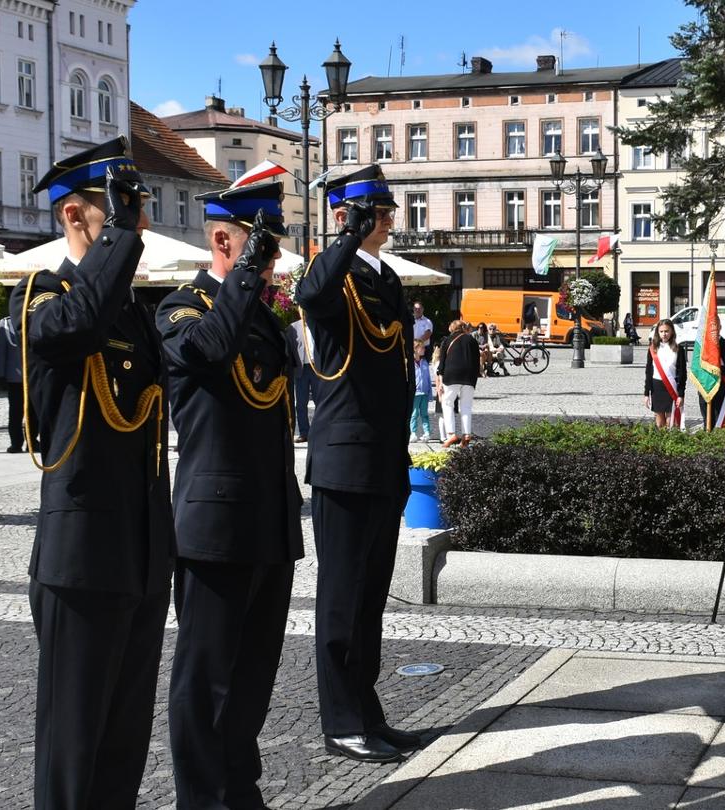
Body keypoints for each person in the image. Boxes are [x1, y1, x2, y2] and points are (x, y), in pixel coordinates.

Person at [7, 137, 172, 808]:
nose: (138, 221)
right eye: (121, 207)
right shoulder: (44, 299)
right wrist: (122, 242)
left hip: (138, 547)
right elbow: (75, 327)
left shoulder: (132, 311)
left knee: (124, 737)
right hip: (81, 557)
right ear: (75, 215)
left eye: (137, 207)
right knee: (74, 742)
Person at [156, 177, 305, 808]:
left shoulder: (263, 316)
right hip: (215, 525)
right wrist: (246, 274)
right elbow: (209, 353)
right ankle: (203, 800)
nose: (269, 261)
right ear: (223, 239)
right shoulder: (180, 308)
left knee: (252, 677)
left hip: (269, 517)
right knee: (207, 679)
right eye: (259, 245)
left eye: (269, 250)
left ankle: (240, 792)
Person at [292, 163, 425, 764]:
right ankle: (340, 720)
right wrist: (345, 234)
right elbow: (310, 293)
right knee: (341, 598)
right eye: (377, 211)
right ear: (353, 216)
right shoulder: (335, 277)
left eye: (388, 210)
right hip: (344, 462)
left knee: (371, 597)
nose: (388, 219)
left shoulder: (386, 279)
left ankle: (367, 710)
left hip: (383, 460)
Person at [436, 319, 481, 447]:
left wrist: (440, 380)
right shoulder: (472, 340)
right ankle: (466, 434)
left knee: (447, 403)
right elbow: (477, 360)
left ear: (452, 328)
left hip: (452, 375)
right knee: (466, 406)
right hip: (469, 376)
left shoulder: (447, 340)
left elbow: (442, 362)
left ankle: (451, 434)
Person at [691, 328, 725, 429]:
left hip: (720, 387)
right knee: (707, 420)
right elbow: (696, 366)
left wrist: (715, 369)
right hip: (704, 386)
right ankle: (707, 441)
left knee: (719, 421)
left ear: (720, 327)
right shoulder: (702, 344)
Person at [0, 305, 25, 453]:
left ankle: (33, 440)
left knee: (35, 411)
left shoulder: (35, 318)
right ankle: (16, 442)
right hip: (15, 376)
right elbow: (1, 352)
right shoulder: (6, 323)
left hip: (34, 375)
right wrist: (0, 374)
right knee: (16, 412)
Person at [643, 319, 685, 428]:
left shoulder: (678, 349)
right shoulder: (653, 348)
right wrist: (646, 393)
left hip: (672, 386)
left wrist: (681, 394)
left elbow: (682, 373)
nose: (664, 334)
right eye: (661, 331)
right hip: (657, 387)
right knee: (659, 422)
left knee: (671, 422)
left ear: (672, 332)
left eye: (666, 331)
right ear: (657, 332)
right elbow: (648, 371)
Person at [289, 312, 313, 445]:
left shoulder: (317, 325)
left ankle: (318, 431)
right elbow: (289, 348)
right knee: (301, 403)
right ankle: (304, 433)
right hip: (301, 370)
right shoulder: (293, 328)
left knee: (321, 401)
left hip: (316, 368)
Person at [410, 339, 435, 442]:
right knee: (414, 414)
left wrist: (430, 394)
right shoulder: (410, 363)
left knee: (424, 414)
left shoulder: (424, 362)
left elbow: (428, 379)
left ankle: (427, 433)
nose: (424, 349)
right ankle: (413, 433)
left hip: (424, 393)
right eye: (422, 347)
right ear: (415, 349)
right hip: (415, 394)